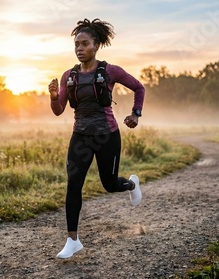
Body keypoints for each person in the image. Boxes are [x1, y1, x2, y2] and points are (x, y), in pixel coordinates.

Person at [48, 18, 145, 259]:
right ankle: (72, 240)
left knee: (109, 184)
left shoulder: (110, 71)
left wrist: (135, 113)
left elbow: (139, 88)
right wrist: (52, 96)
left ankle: (131, 184)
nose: (79, 49)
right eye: (76, 45)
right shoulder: (68, 76)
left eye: (84, 44)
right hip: (80, 137)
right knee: (74, 184)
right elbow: (59, 109)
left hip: (106, 136)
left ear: (96, 45)